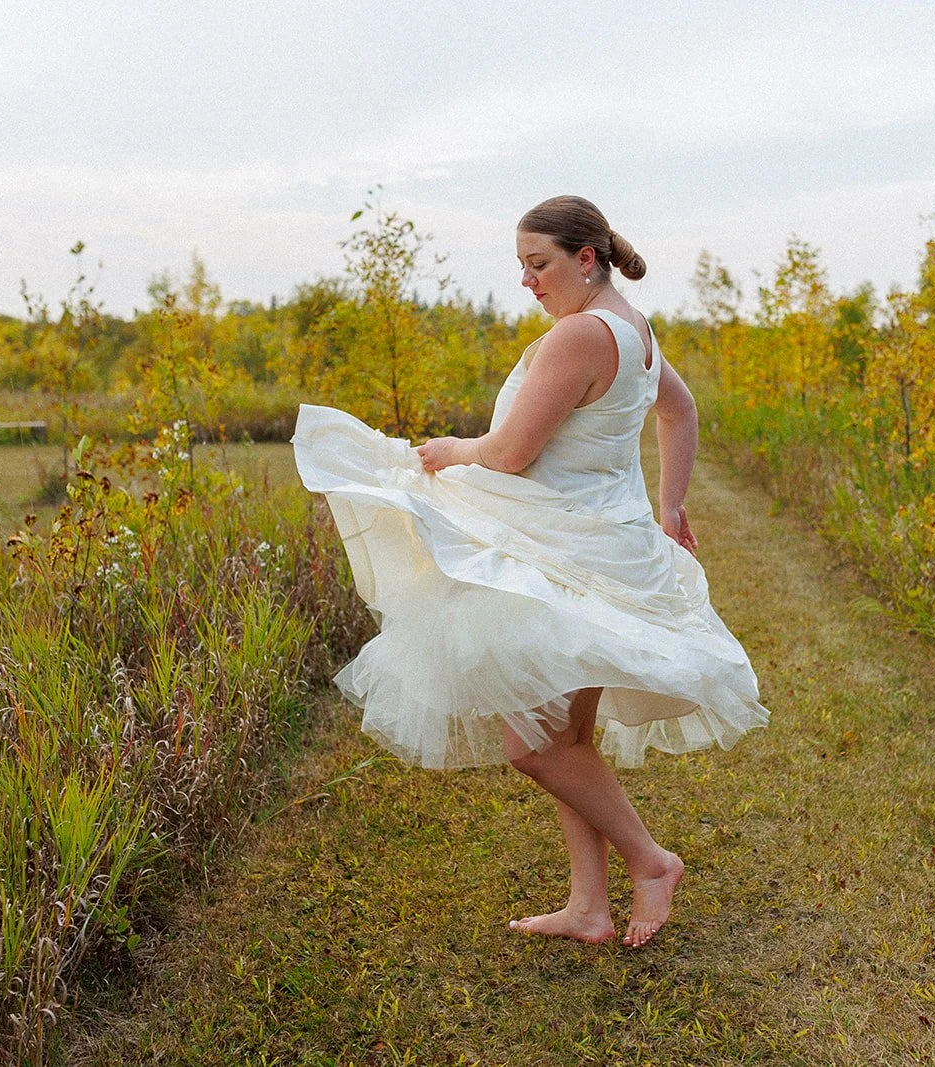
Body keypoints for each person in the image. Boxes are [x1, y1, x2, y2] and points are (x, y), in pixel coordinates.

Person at [290, 195, 768, 948]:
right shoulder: (634, 330)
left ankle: (651, 860)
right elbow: (680, 411)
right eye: (520, 267)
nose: (527, 281)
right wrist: (669, 510)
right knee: (567, 736)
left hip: (569, 557)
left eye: (538, 265)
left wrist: (451, 448)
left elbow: (510, 451)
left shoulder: (581, 335)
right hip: (594, 549)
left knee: (536, 743)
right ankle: (589, 906)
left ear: (586, 259)